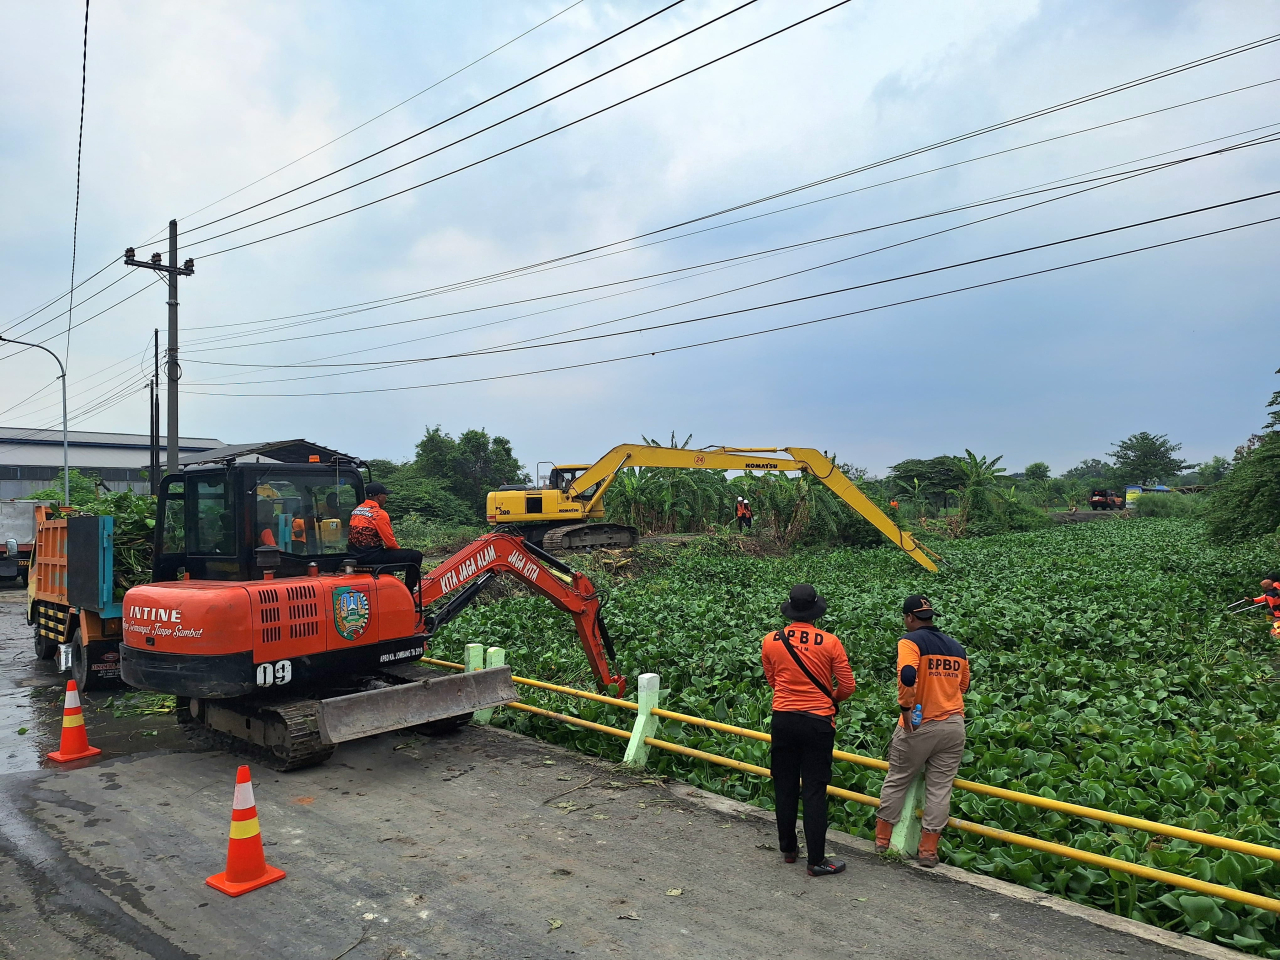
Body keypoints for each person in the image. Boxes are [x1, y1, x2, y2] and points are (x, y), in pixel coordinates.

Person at [761, 584, 856, 877]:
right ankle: (816, 861)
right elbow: (848, 686)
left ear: (790, 608)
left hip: (783, 719)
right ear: (816, 611)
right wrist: (830, 700)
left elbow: (772, 680)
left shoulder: (771, 640)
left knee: (784, 784)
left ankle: (789, 849)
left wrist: (791, 696)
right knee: (814, 790)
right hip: (817, 722)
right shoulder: (830, 642)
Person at [875, 596, 970, 868]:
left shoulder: (909, 641)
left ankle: (883, 840)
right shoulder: (957, 648)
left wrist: (906, 708)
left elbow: (907, 674)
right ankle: (928, 851)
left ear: (909, 618)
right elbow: (963, 686)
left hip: (920, 722)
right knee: (940, 789)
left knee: (898, 778)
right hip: (953, 725)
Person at [348, 482, 424, 593]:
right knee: (415, 556)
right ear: (379, 496)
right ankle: (409, 592)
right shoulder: (378, 514)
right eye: (385, 495)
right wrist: (401, 555)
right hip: (371, 556)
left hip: (355, 555)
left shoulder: (356, 511)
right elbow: (390, 544)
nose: (386, 498)